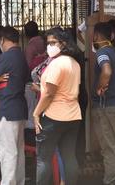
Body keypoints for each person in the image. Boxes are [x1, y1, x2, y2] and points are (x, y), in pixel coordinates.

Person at [33, 27, 82, 185]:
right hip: (74, 115)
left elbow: (49, 94)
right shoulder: (75, 63)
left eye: (53, 42)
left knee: (43, 158)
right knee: (69, 156)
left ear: (63, 43)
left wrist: (36, 113)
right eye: (48, 43)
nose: (49, 46)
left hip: (53, 117)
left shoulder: (55, 65)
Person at [0, 27, 29, 185]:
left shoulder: (6, 57)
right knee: (18, 152)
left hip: (7, 109)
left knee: (7, 152)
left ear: (3, 40)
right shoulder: (21, 55)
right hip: (19, 108)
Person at [91, 22, 115, 185]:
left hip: (105, 106)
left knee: (108, 146)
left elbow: (107, 70)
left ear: (97, 35)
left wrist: (100, 86)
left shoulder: (102, 52)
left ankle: (110, 180)